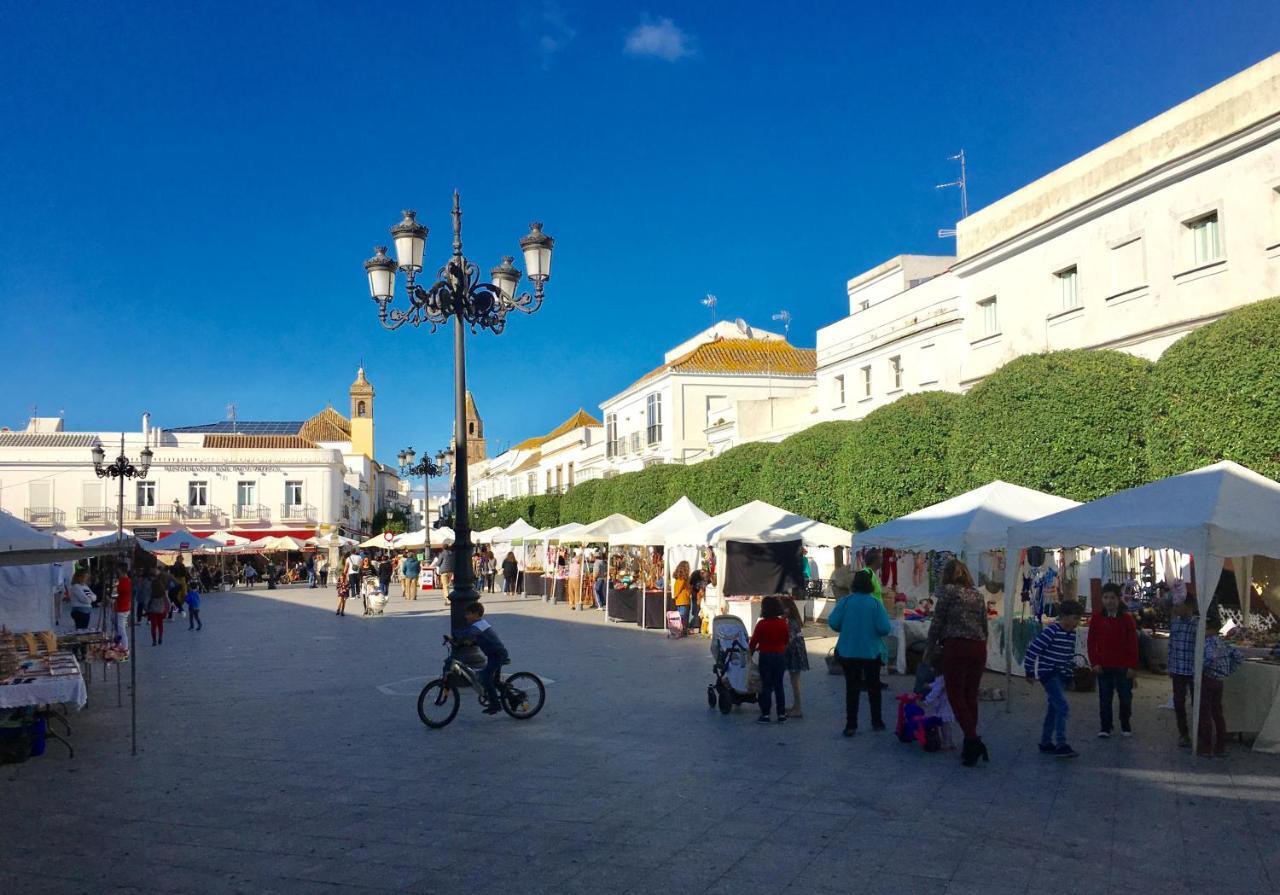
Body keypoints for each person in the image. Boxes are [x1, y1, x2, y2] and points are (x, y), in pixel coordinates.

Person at [925, 559, 990, 766]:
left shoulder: (947, 593)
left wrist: (929, 649)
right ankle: (970, 740)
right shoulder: (977, 595)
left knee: (955, 695)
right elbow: (984, 624)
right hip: (978, 647)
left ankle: (972, 740)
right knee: (971, 695)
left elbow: (937, 623)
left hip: (956, 647)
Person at [827, 569, 892, 736]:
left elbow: (834, 623)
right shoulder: (875, 603)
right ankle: (877, 721)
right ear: (870, 585)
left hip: (848, 651)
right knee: (874, 687)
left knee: (852, 688)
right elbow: (884, 628)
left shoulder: (846, 602)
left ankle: (851, 725)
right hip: (871, 652)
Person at [1024, 600, 1083, 758]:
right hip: (1049, 674)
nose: (1076, 622)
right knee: (1062, 707)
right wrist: (1029, 671)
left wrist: (1070, 677)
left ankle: (1045, 742)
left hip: (1061, 675)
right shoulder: (1051, 631)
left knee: (1054, 709)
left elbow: (1069, 657)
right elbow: (1033, 649)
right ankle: (1061, 743)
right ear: (1064, 617)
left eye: (1078, 619)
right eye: (1074, 618)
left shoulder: (1071, 635)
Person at [1088, 582, 1138, 739]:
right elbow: (1091, 642)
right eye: (1105, 597)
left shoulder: (1127, 619)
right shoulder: (1096, 618)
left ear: (1119, 599)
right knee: (1104, 698)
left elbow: (1133, 643)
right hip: (1103, 666)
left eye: (1112, 598)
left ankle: (1125, 723)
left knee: (1125, 697)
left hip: (1123, 666)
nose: (1109, 601)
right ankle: (1105, 726)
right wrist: (1094, 662)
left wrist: (1132, 666)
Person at [1199, 613, 1244, 757]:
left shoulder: (1207, 643)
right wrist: (1228, 671)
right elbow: (1238, 656)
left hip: (1207, 679)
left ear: (1209, 629)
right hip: (1219, 681)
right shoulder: (1224, 643)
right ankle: (1220, 746)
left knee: (1205, 713)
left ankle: (1206, 746)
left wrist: (1201, 668)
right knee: (1218, 713)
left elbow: (1210, 657)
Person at [457, 602, 510, 714]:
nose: (466, 616)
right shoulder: (480, 625)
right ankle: (512, 698)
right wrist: (469, 643)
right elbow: (479, 639)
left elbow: (467, 633)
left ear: (476, 614)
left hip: (497, 655)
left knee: (486, 678)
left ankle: (495, 705)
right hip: (494, 654)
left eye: (468, 613)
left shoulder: (478, 626)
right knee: (495, 681)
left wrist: (454, 635)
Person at [749, 595, 790, 723]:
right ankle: (781, 713)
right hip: (779, 656)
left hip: (766, 656)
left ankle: (766, 713)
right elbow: (786, 640)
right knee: (779, 685)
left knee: (766, 685)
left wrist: (749, 654)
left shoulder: (761, 624)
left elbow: (754, 641)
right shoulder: (783, 623)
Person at [1166, 595, 1198, 748]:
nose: (1176, 608)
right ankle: (1183, 733)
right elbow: (1171, 645)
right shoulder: (1175, 623)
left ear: (1189, 606)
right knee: (1179, 702)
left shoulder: (1197, 624)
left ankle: (1199, 733)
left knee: (1197, 702)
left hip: (1193, 670)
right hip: (1178, 669)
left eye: (1179, 605)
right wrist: (1170, 665)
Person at [782, 599, 809, 719]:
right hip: (796, 653)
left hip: (795, 655)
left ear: (789, 609)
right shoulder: (794, 621)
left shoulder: (791, 623)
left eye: (783, 608)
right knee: (795, 682)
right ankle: (795, 707)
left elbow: (789, 639)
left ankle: (798, 709)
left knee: (795, 682)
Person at [66, 571, 96, 659]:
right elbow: (85, 599)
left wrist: (90, 598)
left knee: (84, 632)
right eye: (84, 577)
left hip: (86, 612)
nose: (85, 579)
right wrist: (90, 599)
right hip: (79, 612)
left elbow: (94, 596)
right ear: (79, 577)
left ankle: (83, 652)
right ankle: (76, 651)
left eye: (86, 577)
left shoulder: (85, 587)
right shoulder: (76, 587)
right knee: (80, 633)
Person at [147, 570, 170, 645]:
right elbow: (167, 601)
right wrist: (168, 609)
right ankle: (160, 637)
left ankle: (154, 640)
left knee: (153, 626)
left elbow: (148, 600)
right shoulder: (162, 592)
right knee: (160, 625)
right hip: (161, 610)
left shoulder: (152, 592)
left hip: (153, 610)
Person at [114, 565, 132, 651]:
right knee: (119, 627)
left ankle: (125, 647)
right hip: (124, 605)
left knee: (121, 629)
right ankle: (120, 644)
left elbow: (118, 592)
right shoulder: (127, 581)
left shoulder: (124, 581)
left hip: (122, 607)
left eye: (118, 572)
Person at [672, 561, 692, 629]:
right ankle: (683, 630)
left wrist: (676, 596)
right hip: (684, 600)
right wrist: (689, 590)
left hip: (679, 601)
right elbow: (680, 589)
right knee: (683, 617)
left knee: (681, 617)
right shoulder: (683, 579)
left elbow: (676, 589)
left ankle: (681, 630)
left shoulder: (679, 578)